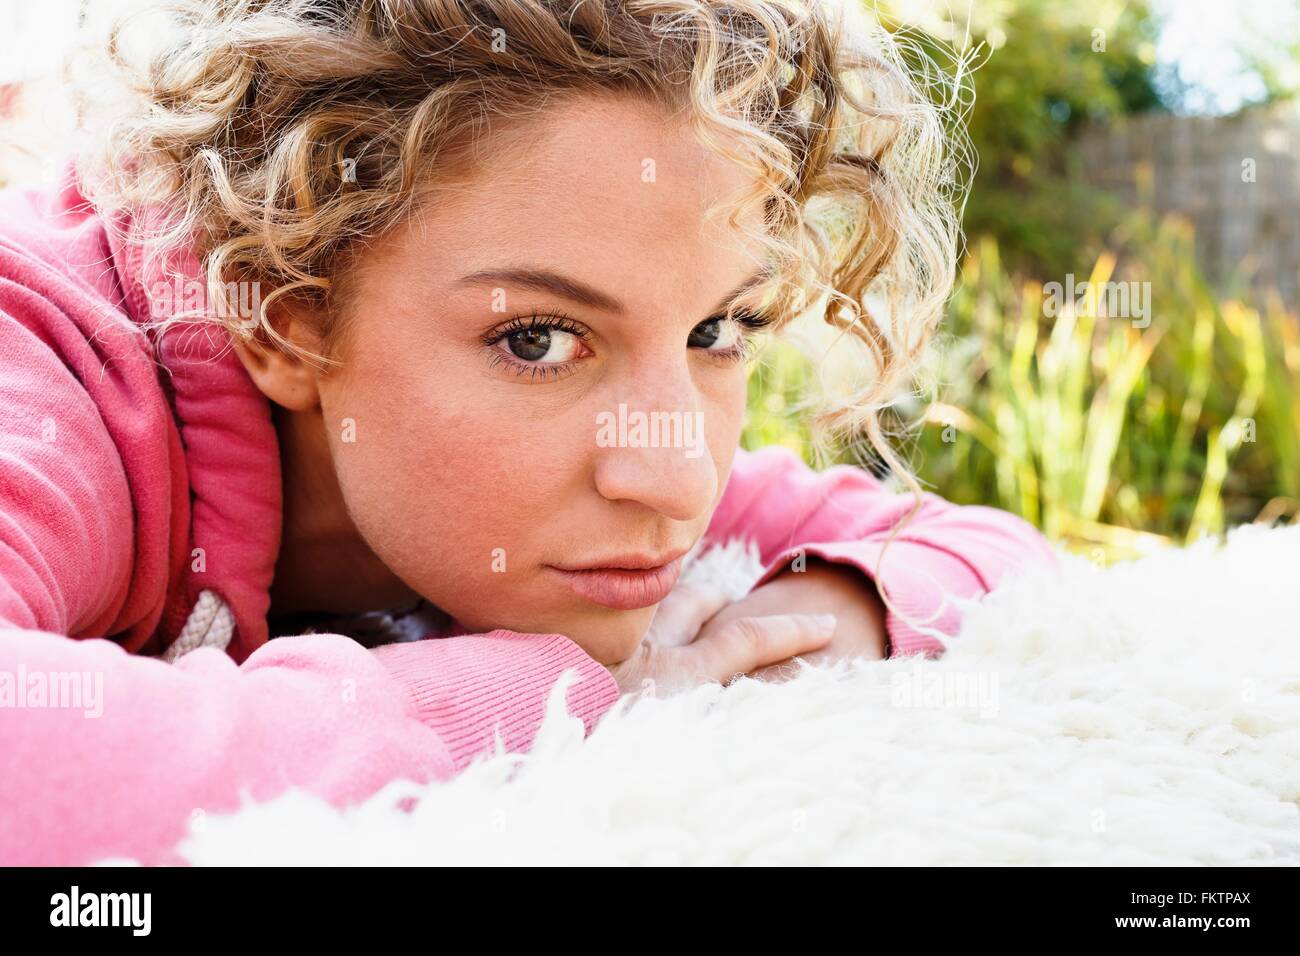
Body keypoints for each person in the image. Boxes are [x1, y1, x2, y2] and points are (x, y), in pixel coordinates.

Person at [0, 0, 1055, 864]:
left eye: (716, 329)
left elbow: (992, 552)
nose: (677, 476)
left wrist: (806, 617)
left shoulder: (593, 466)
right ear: (283, 316)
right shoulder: (49, 376)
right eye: (540, 339)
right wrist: (549, 695)